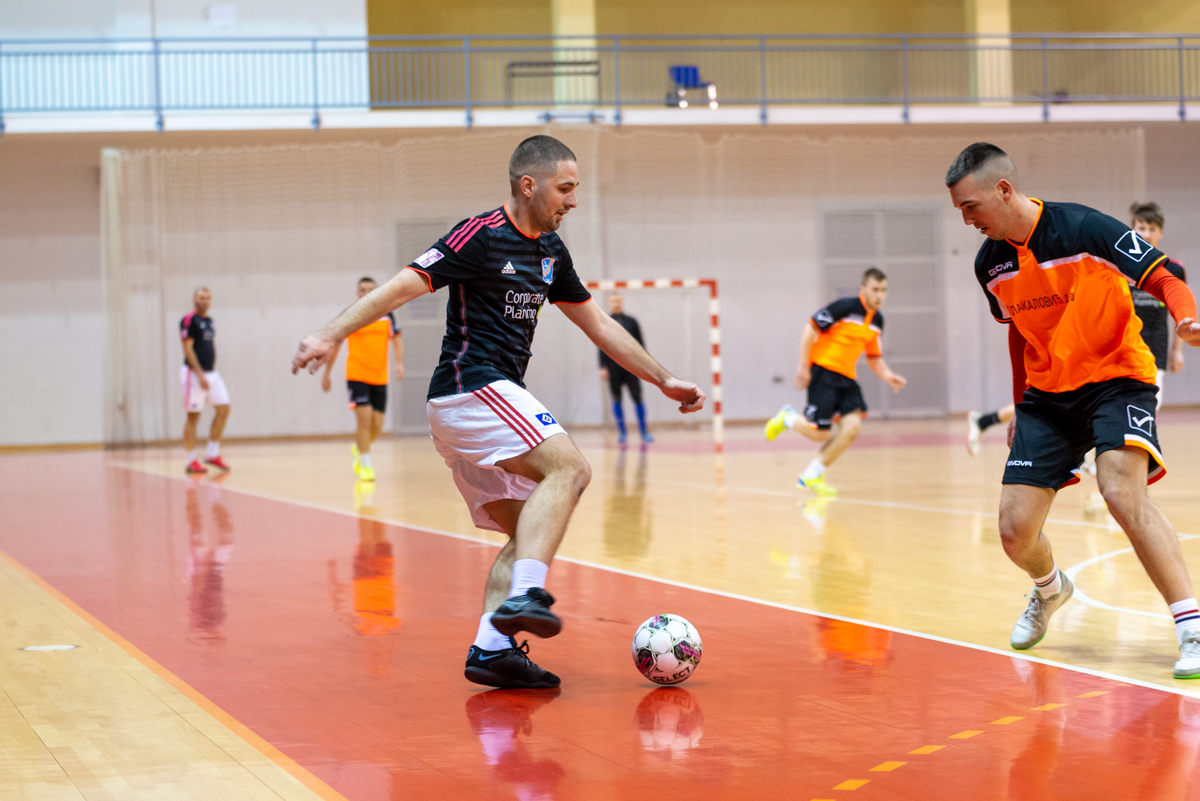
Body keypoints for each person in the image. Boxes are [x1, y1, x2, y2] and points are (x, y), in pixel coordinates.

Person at [291, 135, 705, 690]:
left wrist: (664, 379)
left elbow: (599, 325)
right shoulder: (480, 235)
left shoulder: (552, 253)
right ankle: (528, 594)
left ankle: (491, 650)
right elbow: (399, 289)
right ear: (528, 185)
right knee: (571, 470)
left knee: (528, 530)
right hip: (469, 387)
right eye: (565, 188)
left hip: (480, 404)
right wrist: (328, 333)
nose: (573, 201)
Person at [946, 142, 1200, 677]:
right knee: (1015, 531)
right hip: (1047, 399)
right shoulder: (989, 263)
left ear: (1004, 190)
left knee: (1120, 491)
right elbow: (1018, 331)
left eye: (971, 206)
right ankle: (1050, 589)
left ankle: (1191, 626)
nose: (966, 219)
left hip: (1117, 379)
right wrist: (1021, 404)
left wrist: (1184, 318)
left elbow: (1164, 276)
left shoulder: (1084, 227)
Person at [967, 202, 1188, 457]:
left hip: (1153, 347)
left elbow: (1176, 313)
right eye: (1140, 228)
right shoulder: (1121, 261)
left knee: (1147, 405)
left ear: (1161, 232)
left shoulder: (1172, 269)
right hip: (1111, 345)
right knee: (1064, 401)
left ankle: (986, 421)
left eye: (1151, 229)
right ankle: (1096, 451)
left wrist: (1177, 350)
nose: (1145, 234)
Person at [763, 268, 907, 496]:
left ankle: (811, 475)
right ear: (863, 289)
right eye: (875, 289)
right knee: (819, 433)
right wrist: (803, 366)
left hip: (847, 378)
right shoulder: (845, 307)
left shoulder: (877, 321)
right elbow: (810, 328)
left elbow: (874, 358)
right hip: (823, 372)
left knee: (852, 429)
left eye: (883, 290)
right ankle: (787, 417)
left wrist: (889, 376)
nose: (880, 295)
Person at [321, 277, 405, 482]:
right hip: (356, 375)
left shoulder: (387, 314)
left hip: (380, 376)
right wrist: (327, 373)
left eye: (370, 289)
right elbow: (335, 345)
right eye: (362, 290)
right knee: (364, 419)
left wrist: (399, 363)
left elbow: (397, 340)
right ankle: (366, 465)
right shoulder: (350, 316)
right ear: (357, 293)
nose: (366, 293)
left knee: (377, 425)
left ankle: (359, 447)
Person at [180, 288, 231, 474]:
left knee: (224, 408)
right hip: (194, 374)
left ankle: (212, 453)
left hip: (212, 373)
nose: (205, 301)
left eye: (208, 298)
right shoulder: (189, 320)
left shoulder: (210, 321)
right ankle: (190, 460)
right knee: (193, 416)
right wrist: (199, 374)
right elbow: (188, 348)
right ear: (194, 299)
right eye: (201, 297)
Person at [598, 293, 652, 443]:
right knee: (616, 398)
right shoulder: (604, 322)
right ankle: (622, 432)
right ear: (610, 303)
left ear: (622, 302)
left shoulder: (632, 322)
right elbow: (600, 344)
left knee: (637, 397)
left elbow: (640, 344)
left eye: (618, 300)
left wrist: (644, 364)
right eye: (613, 301)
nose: (616, 303)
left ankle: (643, 431)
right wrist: (602, 366)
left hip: (631, 366)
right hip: (613, 367)